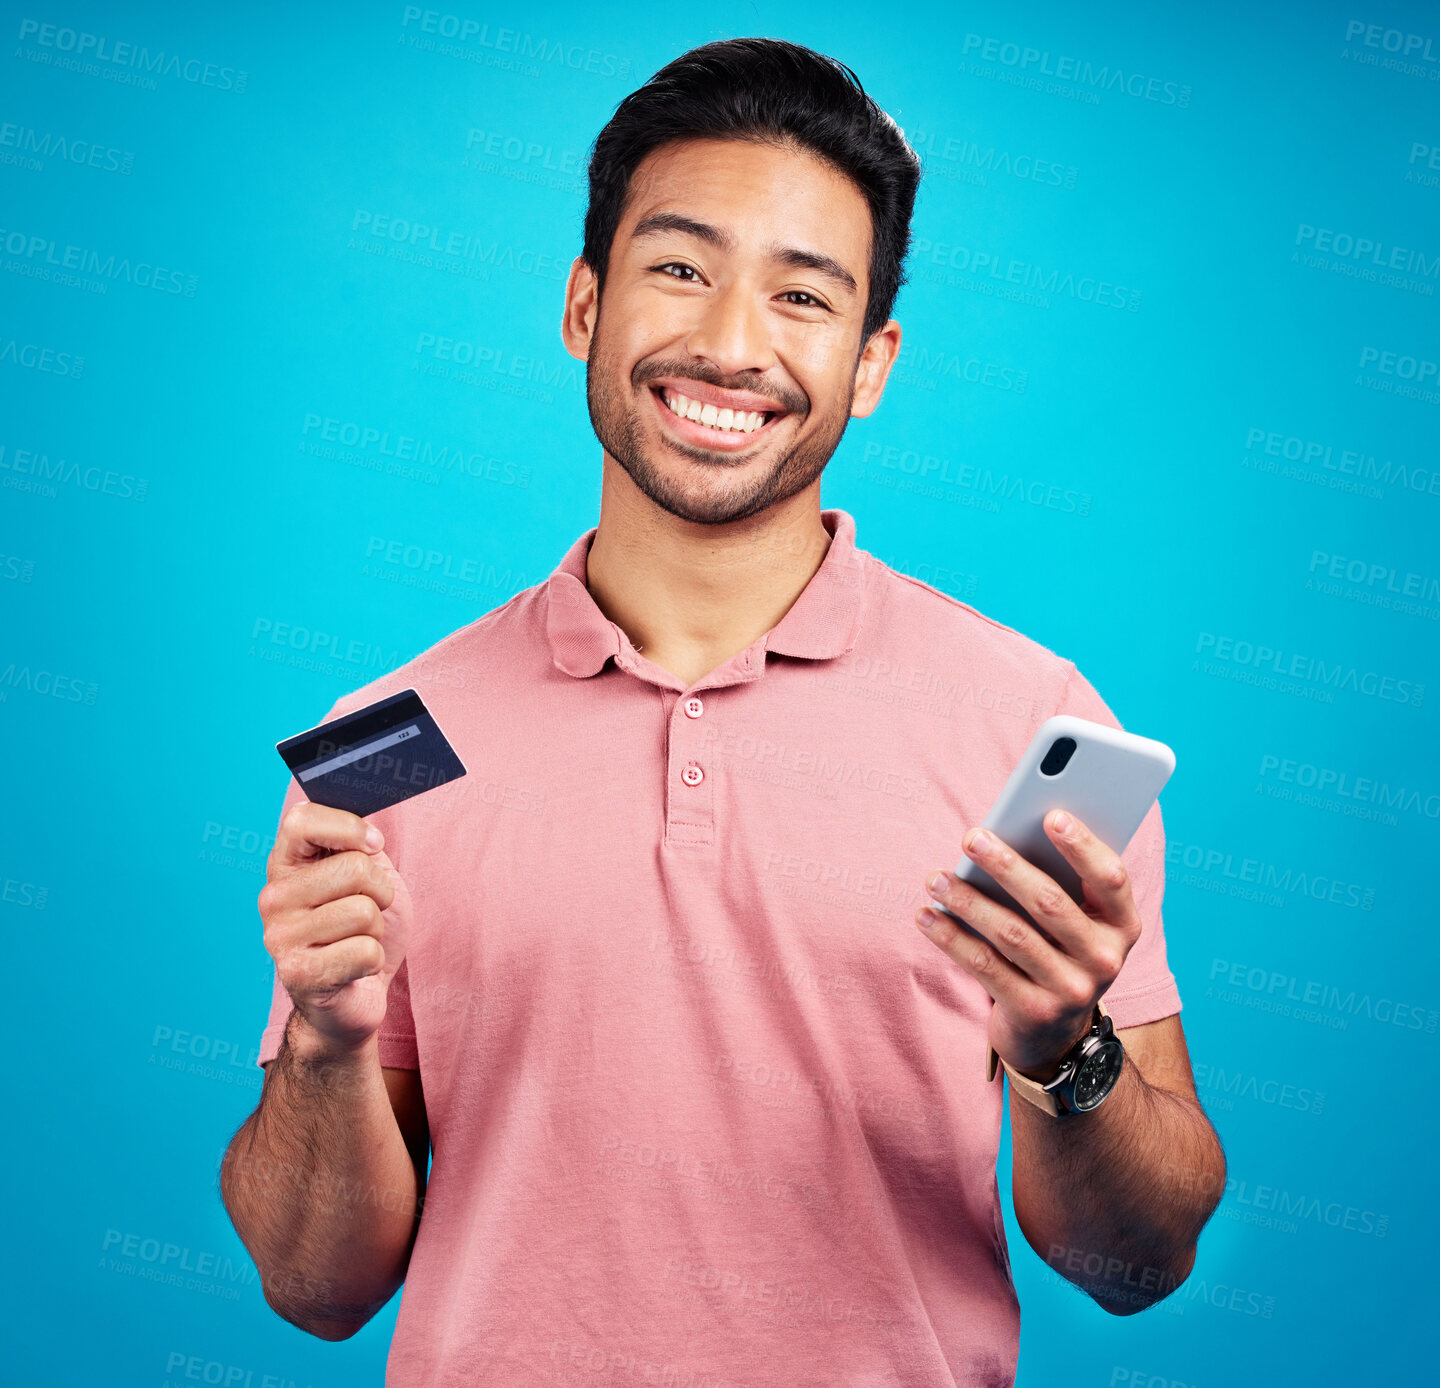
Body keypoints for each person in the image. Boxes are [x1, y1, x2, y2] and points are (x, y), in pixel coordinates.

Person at [220, 37, 1225, 1386]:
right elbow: (312, 1291)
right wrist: (331, 1054)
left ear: (873, 363)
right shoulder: (384, 742)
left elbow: (1141, 1268)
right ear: (584, 306)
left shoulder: (1034, 726)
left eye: (803, 297)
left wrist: (1063, 1050)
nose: (730, 344)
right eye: (679, 269)